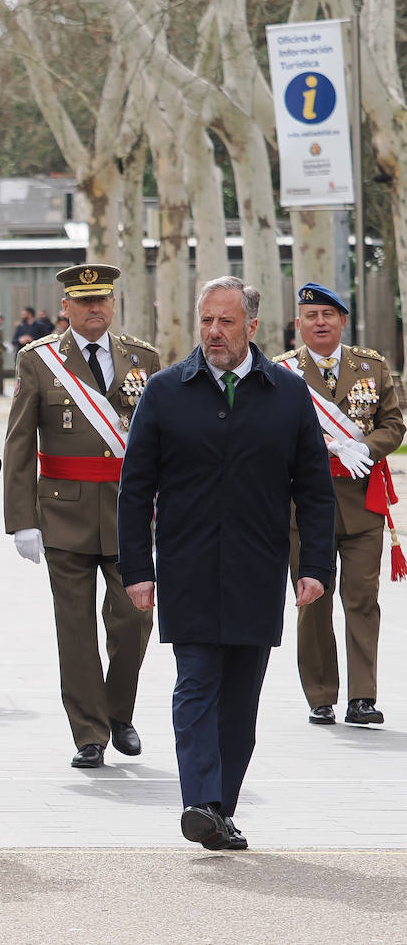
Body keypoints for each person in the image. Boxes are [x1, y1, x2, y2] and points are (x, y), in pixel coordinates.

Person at [118, 275, 335, 851]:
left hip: (257, 570)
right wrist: (137, 569)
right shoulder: (165, 391)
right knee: (196, 685)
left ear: (251, 326)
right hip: (186, 567)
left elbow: (314, 489)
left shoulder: (288, 393)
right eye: (206, 320)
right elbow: (135, 488)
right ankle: (199, 802)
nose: (214, 332)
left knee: (240, 700)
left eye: (226, 322)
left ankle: (221, 810)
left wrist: (315, 566)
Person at [3, 263, 160, 769]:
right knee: (75, 630)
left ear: (113, 304)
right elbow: (19, 443)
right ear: (65, 307)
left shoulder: (142, 358)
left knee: (134, 621)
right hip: (63, 513)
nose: (95, 308)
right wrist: (21, 519)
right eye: (84, 301)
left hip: (130, 514)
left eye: (102, 300)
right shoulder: (39, 359)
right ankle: (89, 732)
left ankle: (118, 711)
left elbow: (163, 440)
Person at [276, 283, 405, 726]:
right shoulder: (281, 373)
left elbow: (393, 425)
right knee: (313, 599)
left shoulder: (371, 366)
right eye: (311, 316)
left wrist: (364, 448)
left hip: (362, 502)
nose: (320, 323)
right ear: (299, 324)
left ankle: (363, 697)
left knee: (363, 599)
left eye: (328, 315)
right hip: (305, 506)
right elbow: (267, 433)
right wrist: (324, 446)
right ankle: (320, 694)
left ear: (342, 321)